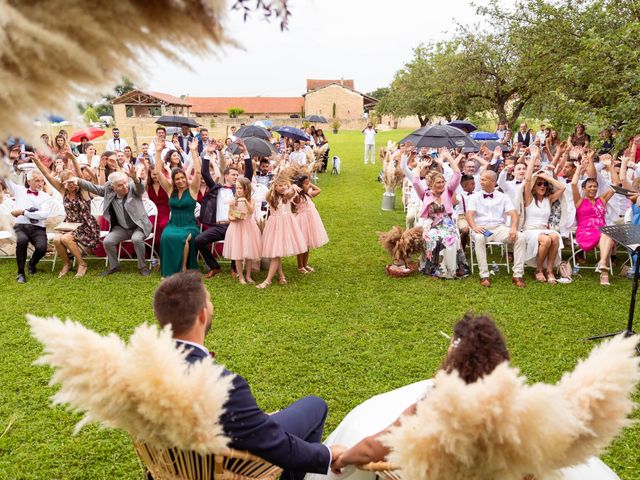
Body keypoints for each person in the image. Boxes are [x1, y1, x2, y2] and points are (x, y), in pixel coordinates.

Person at [311, 314, 621, 480]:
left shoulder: (438, 408)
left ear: (455, 358)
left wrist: (343, 457)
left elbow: (371, 448)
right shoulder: (522, 410)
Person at [151, 271, 343, 480]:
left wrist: (255, 418)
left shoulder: (144, 371)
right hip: (229, 460)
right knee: (315, 405)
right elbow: (274, 443)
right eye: (210, 301)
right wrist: (327, 454)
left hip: (180, 460)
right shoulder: (223, 385)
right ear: (202, 315)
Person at [70, 167, 152, 276]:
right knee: (108, 241)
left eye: (125, 183)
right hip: (121, 228)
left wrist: (135, 179)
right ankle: (114, 266)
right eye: (120, 185)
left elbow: (140, 189)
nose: (124, 187)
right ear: (113, 187)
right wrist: (78, 181)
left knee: (136, 239)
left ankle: (143, 267)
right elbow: (94, 188)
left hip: (138, 226)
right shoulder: (108, 192)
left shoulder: (132, 188)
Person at [401, 146, 466, 278]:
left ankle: (451, 270)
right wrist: (419, 166)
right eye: (438, 182)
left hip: (447, 223)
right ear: (430, 184)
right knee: (432, 238)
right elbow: (415, 181)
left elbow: (457, 174)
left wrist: (449, 158)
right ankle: (433, 269)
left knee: (450, 239)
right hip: (431, 224)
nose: (441, 185)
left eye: (442, 182)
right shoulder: (425, 194)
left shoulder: (448, 191)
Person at [31, 151, 99, 277]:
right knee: (57, 240)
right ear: (63, 184)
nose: (71, 184)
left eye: (73, 181)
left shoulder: (83, 190)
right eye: (67, 182)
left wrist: (73, 159)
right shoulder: (63, 191)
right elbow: (47, 174)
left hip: (86, 226)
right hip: (69, 225)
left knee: (66, 238)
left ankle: (82, 263)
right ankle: (67, 263)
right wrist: (36, 161)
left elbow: (80, 175)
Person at [195, 139, 252, 278]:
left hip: (235, 225)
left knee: (236, 239)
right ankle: (214, 266)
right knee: (198, 240)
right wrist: (208, 153)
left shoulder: (238, 190)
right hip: (218, 226)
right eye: (233, 174)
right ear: (225, 176)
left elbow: (249, 174)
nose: (236, 177)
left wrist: (245, 152)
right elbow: (205, 173)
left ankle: (234, 268)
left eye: (237, 175)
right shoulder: (216, 189)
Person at [466, 170, 526, 288]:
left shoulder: (503, 197)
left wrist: (513, 228)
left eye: (484, 179)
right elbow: (469, 214)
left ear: (493, 182)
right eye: (481, 179)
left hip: (499, 228)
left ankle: (517, 274)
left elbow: (514, 214)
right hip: (482, 228)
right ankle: (484, 275)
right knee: (479, 238)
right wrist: (474, 227)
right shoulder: (474, 197)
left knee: (521, 237)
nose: (481, 182)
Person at [155, 138, 202, 278]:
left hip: (189, 224)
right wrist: (158, 152)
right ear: (174, 181)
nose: (181, 181)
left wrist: (194, 151)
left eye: (183, 178)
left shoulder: (193, 189)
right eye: (177, 179)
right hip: (174, 223)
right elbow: (158, 173)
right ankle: (168, 269)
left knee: (185, 238)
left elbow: (198, 173)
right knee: (166, 236)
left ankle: (183, 268)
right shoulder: (170, 190)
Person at [572, 152, 618, 285]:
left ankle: (603, 265)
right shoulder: (579, 201)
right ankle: (604, 272)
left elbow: (616, 184)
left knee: (606, 233)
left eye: (595, 187)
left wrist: (609, 167)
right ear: (584, 189)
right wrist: (578, 170)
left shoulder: (602, 199)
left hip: (601, 231)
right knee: (606, 234)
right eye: (590, 187)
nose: (593, 189)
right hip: (586, 232)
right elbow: (574, 185)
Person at [257, 174, 307, 288]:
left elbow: (290, 194)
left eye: (285, 185)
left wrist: (293, 186)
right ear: (275, 187)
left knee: (276, 253)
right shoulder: (270, 196)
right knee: (276, 252)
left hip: (286, 225)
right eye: (280, 185)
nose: (283, 187)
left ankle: (268, 280)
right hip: (274, 225)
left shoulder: (287, 196)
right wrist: (275, 187)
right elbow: (268, 196)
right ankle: (281, 275)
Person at [522, 154, 566, 284]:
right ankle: (539, 270)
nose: (542, 186)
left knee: (555, 237)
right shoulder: (529, 198)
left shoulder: (549, 199)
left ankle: (550, 271)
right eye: (539, 184)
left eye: (545, 184)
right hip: (530, 230)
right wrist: (534, 158)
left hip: (544, 229)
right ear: (534, 187)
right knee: (546, 239)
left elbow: (562, 188)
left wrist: (547, 177)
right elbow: (528, 180)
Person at [5, 169, 53, 283]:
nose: (40, 184)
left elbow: (44, 215)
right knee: (22, 241)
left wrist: (23, 212)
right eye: (37, 181)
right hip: (21, 226)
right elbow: (6, 178)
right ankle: (20, 273)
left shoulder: (45, 197)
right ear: (29, 181)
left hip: (38, 228)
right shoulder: (19, 190)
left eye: (42, 181)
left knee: (42, 248)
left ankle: (31, 264)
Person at [222, 176, 262, 284]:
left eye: (241, 188)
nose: (238, 190)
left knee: (249, 255)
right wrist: (234, 218)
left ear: (246, 189)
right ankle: (240, 277)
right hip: (236, 228)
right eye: (237, 188)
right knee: (238, 254)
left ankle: (248, 276)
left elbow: (252, 211)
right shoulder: (233, 200)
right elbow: (229, 216)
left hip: (249, 227)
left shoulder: (250, 200)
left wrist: (245, 201)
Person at [294, 174, 328, 274]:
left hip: (311, 220)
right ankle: (300, 266)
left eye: (309, 183)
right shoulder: (297, 196)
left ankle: (305, 264)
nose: (308, 185)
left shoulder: (308, 194)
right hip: (302, 220)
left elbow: (319, 190)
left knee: (307, 244)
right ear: (300, 185)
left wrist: (309, 184)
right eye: (306, 183)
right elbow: (293, 200)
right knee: (302, 244)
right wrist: (298, 187)